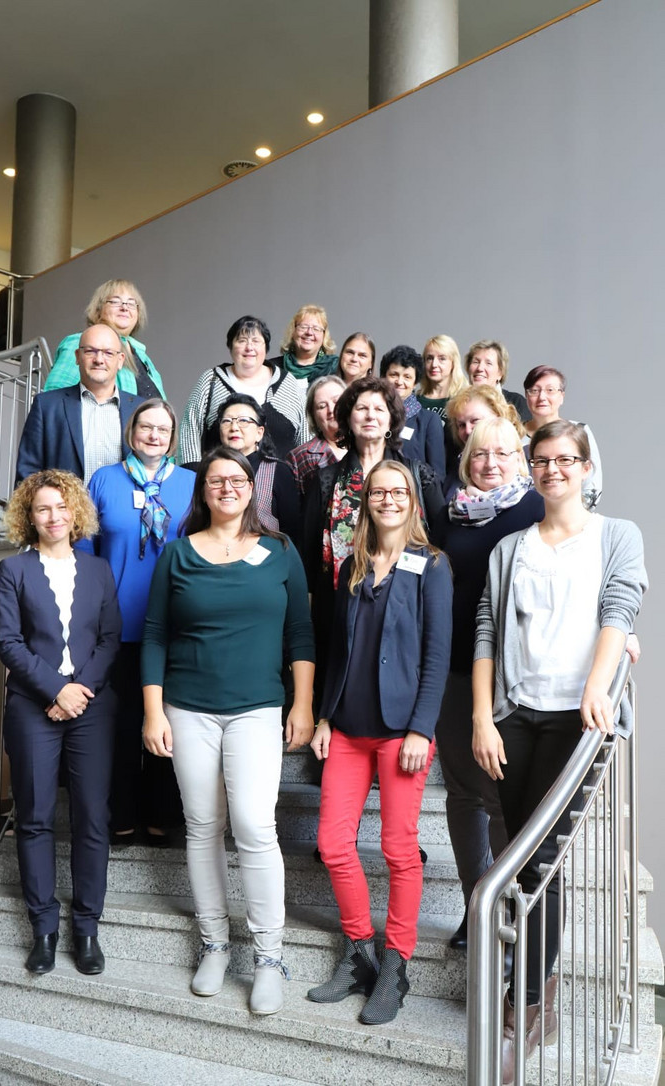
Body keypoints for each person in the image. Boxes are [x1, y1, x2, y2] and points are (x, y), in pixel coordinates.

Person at [472, 420, 646, 1083]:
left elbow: (619, 608)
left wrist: (599, 687)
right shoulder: (511, 547)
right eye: (540, 460)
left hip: (579, 715)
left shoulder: (617, 535)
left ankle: (531, 1000)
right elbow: (486, 627)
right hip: (516, 713)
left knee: (540, 857)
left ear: (586, 466)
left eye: (564, 460)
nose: (552, 470)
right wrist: (482, 717)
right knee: (520, 854)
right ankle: (529, 982)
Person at [141, 448, 315, 1016]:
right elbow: (156, 635)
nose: (227, 487)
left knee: (253, 825)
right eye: (216, 480)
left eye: (236, 479)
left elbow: (300, 637)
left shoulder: (282, 553)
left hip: (257, 708)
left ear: (252, 488)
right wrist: (153, 711)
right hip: (188, 708)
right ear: (203, 491)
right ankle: (215, 944)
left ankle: (269, 957)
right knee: (202, 824)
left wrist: (304, 706)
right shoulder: (176, 555)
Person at [307, 462, 452, 1024]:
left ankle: (397, 963)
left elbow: (437, 656)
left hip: (400, 733)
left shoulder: (432, 566)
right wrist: (323, 716)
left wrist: (421, 727)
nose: (388, 500)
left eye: (399, 492)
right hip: (347, 727)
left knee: (398, 849)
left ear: (412, 501)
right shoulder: (351, 566)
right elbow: (336, 652)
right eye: (379, 492)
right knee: (334, 844)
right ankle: (359, 952)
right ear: (365, 502)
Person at [0, 470, 121, 977]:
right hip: (33, 707)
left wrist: (76, 692)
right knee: (35, 817)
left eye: (61, 507)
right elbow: (9, 642)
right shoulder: (13, 570)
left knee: (92, 818)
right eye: (43, 509)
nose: (53, 517)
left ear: (76, 513)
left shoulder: (98, 571)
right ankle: (43, 929)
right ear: (30, 516)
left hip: (90, 706)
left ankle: (86, 929)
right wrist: (55, 690)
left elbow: (110, 640)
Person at [430, 418, 544, 951]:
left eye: (502, 453)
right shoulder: (449, 516)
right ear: (465, 460)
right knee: (462, 795)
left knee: (502, 798)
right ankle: (474, 907)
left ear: (519, 460)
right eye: (479, 454)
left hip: (514, 676)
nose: (490, 462)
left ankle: (510, 913)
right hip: (454, 668)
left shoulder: (535, 510)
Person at [80, 399, 195, 847]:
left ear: (172, 437)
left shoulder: (189, 482)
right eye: (145, 427)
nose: (153, 435)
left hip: (173, 626)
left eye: (162, 429)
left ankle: (161, 816)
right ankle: (122, 816)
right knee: (123, 725)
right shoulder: (104, 480)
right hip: (116, 624)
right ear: (131, 433)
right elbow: (86, 551)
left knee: (170, 723)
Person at [303, 375, 444, 699]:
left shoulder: (417, 475)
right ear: (348, 419)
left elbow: (439, 543)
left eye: (378, 409)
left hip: (406, 608)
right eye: (361, 408)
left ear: (391, 420)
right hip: (340, 612)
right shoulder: (325, 481)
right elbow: (309, 557)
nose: (370, 416)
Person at [15, 324, 143, 485]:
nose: (99, 360)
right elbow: (27, 475)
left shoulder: (140, 409)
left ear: (120, 360)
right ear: (77, 356)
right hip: (64, 509)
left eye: (108, 353)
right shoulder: (47, 406)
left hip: (122, 509)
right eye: (90, 351)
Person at [178, 316, 308, 464]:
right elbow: (189, 433)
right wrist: (192, 476)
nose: (249, 347)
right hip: (222, 482)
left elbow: (305, 438)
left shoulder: (288, 382)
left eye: (256, 341)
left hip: (280, 484)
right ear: (230, 347)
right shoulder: (210, 380)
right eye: (242, 340)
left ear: (266, 347)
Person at [44, 279, 165, 399]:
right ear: (99, 309)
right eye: (115, 302)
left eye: (131, 303)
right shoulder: (81, 342)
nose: (124, 308)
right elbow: (55, 397)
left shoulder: (143, 356)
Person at [213, 394, 300, 542]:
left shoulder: (278, 471)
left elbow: (293, 531)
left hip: (268, 559)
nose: (234, 427)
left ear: (259, 433)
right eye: (227, 421)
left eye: (243, 421)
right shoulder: (209, 471)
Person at [522, 365, 602, 508]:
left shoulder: (579, 431)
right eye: (534, 391)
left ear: (562, 396)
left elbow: (592, 486)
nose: (542, 397)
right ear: (527, 396)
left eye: (550, 390)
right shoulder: (512, 434)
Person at [443, 384, 524, 498]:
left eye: (475, 420)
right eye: (461, 425)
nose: (468, 430)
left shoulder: (523, 461)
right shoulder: (454, 469)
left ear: (499, 415)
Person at [380, 344, 445, 478]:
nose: (399, 381)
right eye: (394, 375)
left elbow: (438, 474)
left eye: (407, 377)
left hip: (415, 494)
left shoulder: (429, 420)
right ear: (383, 377)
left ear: (415, 382)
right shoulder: (373, 416)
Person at [286, 375, 346, 496]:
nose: (331, 410)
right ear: (313, 417)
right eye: (322, 406)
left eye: (337, 401)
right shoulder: (299, 457)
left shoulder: (367, 445)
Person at [268, 304, 338, 387]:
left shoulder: (335, 369)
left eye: (316, 329)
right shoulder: (272, 367)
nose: (309, 332)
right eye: (303, 327)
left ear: (324, 336)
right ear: (293, 332)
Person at [465, 340, 531, 422]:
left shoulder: (517, 403)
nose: (480, 368)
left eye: (488, 363)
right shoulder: (458, 404)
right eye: (476, 362)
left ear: (500, 373)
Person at [418, 334, 468, 422]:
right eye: (430, 358)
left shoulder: (464, 398)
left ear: (453, 363)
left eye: (442, 359)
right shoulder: (415, 401)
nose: (434, 364)